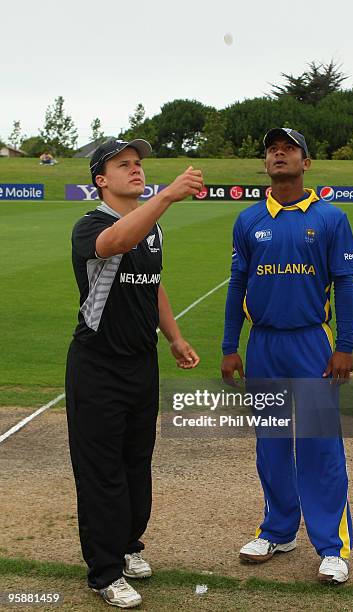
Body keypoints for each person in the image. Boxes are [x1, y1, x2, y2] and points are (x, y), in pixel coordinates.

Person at [65, 138, 203, 608]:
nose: (136, 170)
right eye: (123, 165)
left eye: (139, 164)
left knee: (135, 464)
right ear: (101, 180)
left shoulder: (154, 228)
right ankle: (104, 573)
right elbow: (117, 242)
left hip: (141, 364)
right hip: (97, 366)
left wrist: (175, 336)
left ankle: (127, 546)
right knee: (101, 471)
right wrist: (165, 197)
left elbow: (153, 284)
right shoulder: (89, 226)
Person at [221, 128, 353, 584]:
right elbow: (237, 284)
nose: (278, 153)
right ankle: (278, 531)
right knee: (272, 443)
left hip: (311, 344)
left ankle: (331, 546)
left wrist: (345, 345)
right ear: (265, 163)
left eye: (289, 148)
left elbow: (345, 283)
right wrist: (229, 346)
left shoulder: (331, 217)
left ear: (306, 163)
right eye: (272, 149)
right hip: (262, 345)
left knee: (320, 444)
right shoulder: (248, 219)